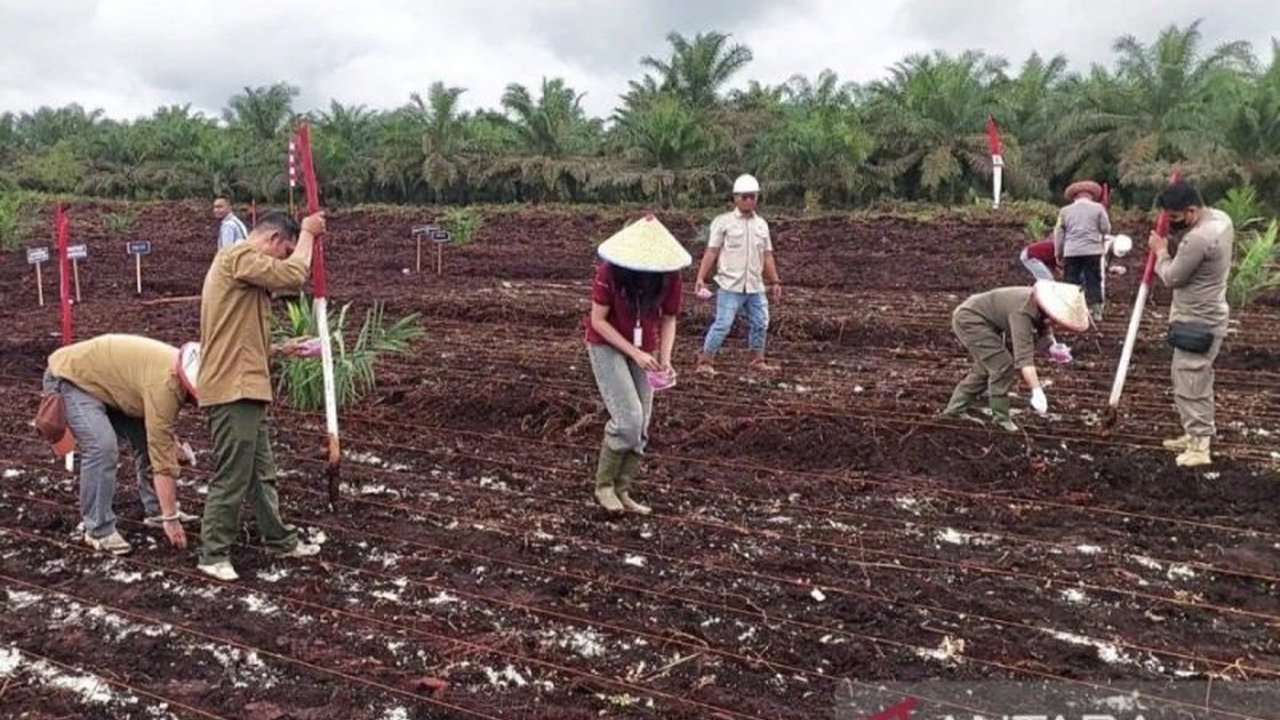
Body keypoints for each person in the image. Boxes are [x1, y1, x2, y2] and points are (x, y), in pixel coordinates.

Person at [196, 210, 326, 581]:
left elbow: (241, 337)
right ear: (272, 240)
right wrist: (307, 234)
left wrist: (284, 347)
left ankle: (278, 539)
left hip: (247, 386)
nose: (285, 258)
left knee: (260, 473)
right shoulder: (238, 256)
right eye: (284, 250)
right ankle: (213, 553)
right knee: (233, 475)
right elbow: (294, 275)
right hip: (232, 389)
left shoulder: (243, 276)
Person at [39, 334, 201, 555]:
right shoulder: (166, 384)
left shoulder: (175, 371)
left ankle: (156, 510)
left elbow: (158, 433)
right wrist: (172, 520)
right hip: (73, 378)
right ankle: (97, 529)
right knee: (102, 447)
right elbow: (162, 458)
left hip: (112, 386)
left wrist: (171, 444)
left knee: (147, 441)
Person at [585, 215, 690, 514]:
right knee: (628, 420)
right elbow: (598, 321)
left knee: (641, 424)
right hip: (607, 345)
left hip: (645, 349)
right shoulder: (610, 272)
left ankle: (623, 490)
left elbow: (669, 318)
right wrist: (635, 353)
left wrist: (665, 360)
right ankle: (604, 487)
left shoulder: (670, 276)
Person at [1148, 180, 1233, 467]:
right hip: (1209, 315)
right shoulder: (1221, 219)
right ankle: (1193, 433)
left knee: (1191, 381)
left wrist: (1160, 251)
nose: (1171, 223)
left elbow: (1172, 277)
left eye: (1174, 217)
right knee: (1188, 376)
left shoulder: (1198, 238)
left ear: (1192, 210)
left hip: (1197, 321)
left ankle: (1199, 447)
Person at [940, 280, 1090, 432]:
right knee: (1002, 365)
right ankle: (1000, 418)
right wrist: (1037, 390)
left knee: (986, 368)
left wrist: (1051, 346)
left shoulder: (1039, 304)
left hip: (985, 321)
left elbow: (1043, 327)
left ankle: (955, 410)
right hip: (970, 320)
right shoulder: (1022, 313)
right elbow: (1024, 359)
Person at [693, 173, 782, 375]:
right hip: (729, 284)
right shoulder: (723, 222)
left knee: (761, 322)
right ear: (735, 197)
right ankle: (705, 360)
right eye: (745, 197)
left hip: (754, 284)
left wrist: (775, 281)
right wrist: (700, 277)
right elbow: (712, 251)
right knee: (723, 324)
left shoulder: (762, 225)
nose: (749, 200)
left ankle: (757, 360)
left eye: (753, 196)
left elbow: (767, 256)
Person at [1053, 180, 1112, 323]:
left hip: (1072, 251)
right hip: (1092, 251)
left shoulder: (1065, 211)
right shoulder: (1098, 208)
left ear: (1074, 197)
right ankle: (1096, 311)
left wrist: (1058, 252)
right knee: (1093, 280)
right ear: (1091, 195)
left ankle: (1070, 312)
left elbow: (1059, 233)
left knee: (1071, 282)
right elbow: (1106, 229)